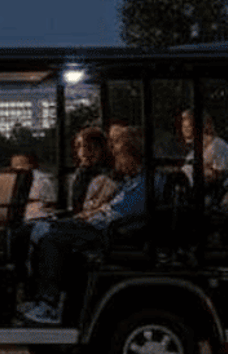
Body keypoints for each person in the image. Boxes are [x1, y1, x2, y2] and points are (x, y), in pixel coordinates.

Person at [20, 127, 148, 325]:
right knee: (36, 228)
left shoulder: (142, 185)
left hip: (105, 232)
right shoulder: (130, 182)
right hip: (97, 225)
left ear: (132, 156)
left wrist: (89, 216)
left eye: (120, 156)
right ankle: (34, 295)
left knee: (50, 236)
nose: (117, 162)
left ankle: (49, 304)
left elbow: (113, 214)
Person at [180, 109, 228, 201]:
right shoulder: (193, 154)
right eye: (183, 126)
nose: (184, 130)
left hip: (221, 200)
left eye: (188, 126)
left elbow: (217, 177)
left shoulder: (219, 147)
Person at [12, 152, 55, 221]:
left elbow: (49, 205)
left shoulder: (42, 180)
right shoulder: (9, 180)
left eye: (20, 165)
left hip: (36, 219)